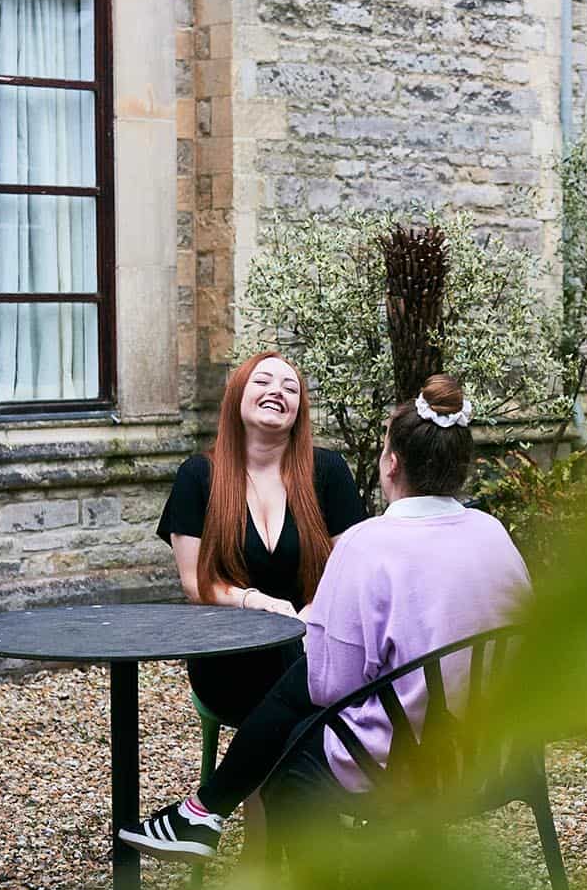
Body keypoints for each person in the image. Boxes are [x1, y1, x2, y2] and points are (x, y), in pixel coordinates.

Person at [121, 374, 530, 860]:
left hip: (408, 758)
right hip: (494, 749)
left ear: (392, 463)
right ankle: (203, 813)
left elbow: (329, 688)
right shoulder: (492, 532)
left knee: (291, 759)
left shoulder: (368, 542)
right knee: (303, 695)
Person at [156, 351, 366, 728]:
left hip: (311, 640)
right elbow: (194, 584)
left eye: (290, 388)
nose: (277, 391)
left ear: (299, 410)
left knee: (307, 671)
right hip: (229, 652)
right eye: (263, 381)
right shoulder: (197, 476)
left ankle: (234, 788)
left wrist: (313, 616)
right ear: (237, 395)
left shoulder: (329, 471)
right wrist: (258, 603)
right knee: (308, 694)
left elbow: (350, 567)